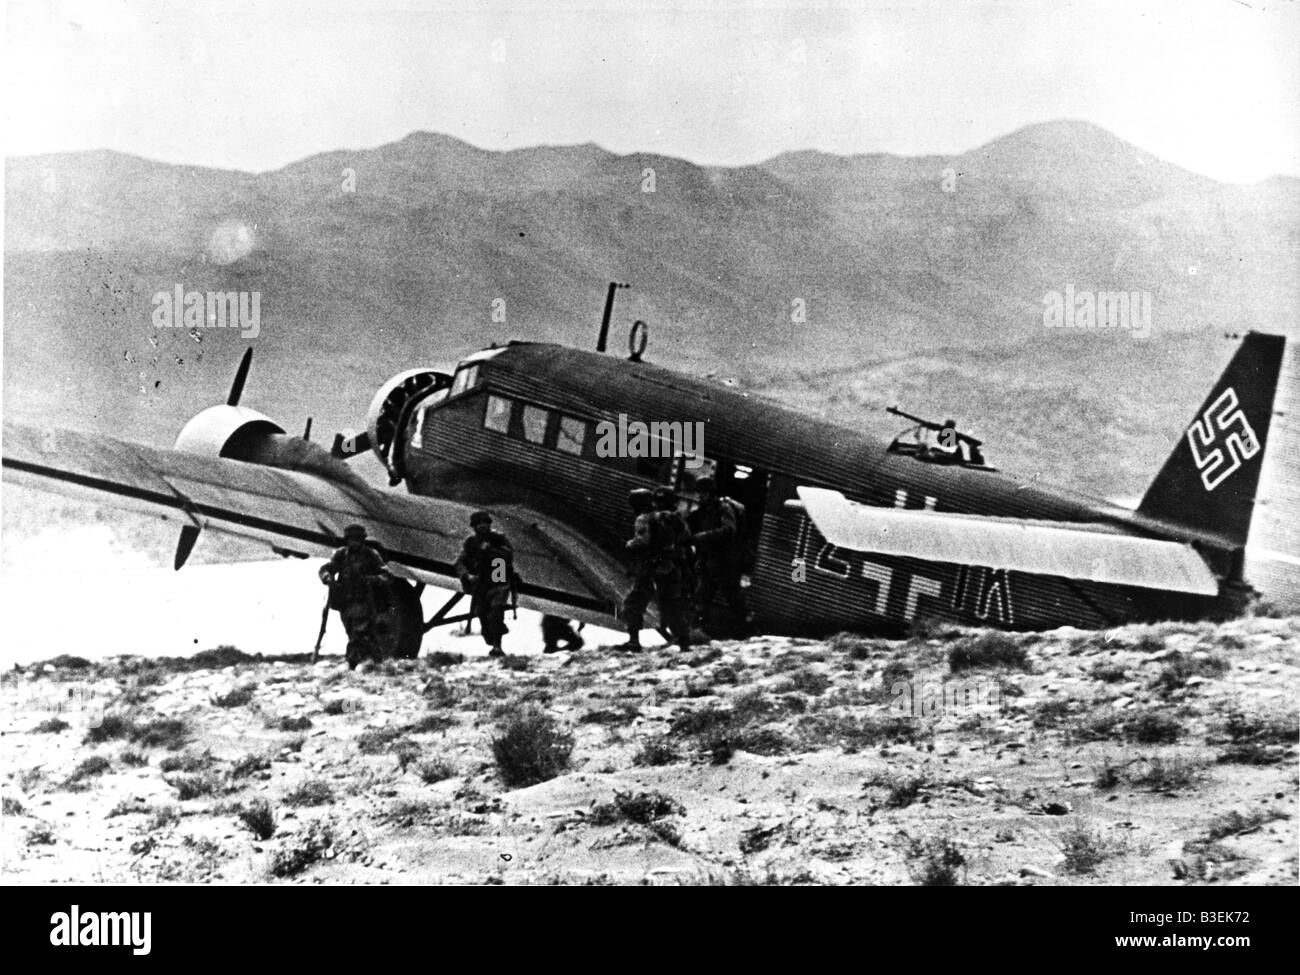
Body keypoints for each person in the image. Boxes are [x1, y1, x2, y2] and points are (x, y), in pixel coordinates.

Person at [619, 487, 694, 651]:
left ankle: (633, 641)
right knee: (671, 605)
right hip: (670, 567)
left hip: (650, 568)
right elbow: (686, 537)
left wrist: (629, 544)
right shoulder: (671, 518)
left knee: (633, 603)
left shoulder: (643, 518)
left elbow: (643, 541)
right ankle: (684, 642)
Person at [318, 524, 389, 668]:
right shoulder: (341, 555)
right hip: (345, 603)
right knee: (352, 632)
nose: (354, 542)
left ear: (362, 540)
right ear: (347, 540)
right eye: (352, 539)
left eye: (357, 539)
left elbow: (386, 575)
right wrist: (327, 578)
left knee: (359, 632)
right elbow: (326, 569)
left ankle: (352, 662)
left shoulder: (370, 555)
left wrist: (372, 580)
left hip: (364, 601)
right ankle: (375, 660)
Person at [688, 475, 751, 635]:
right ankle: (696, 631)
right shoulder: (706, 509)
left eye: (702, 493)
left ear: (709, 493)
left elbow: (729, 530)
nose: (699, 496)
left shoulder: (723, 508)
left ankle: (749, 627)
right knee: (702, 596)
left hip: (725, 562)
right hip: (711, 560)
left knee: (733, 597)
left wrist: (702, 537)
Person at [454, 510, 514, 657]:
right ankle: (493, 636)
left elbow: (507, 556)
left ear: (489, 525)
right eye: (478, 524)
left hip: (498, 580)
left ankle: (497, 647)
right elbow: (459, 562)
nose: (482, 526)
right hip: (480, 584)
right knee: (482, 615)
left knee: (496, 613)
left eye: (484, 523)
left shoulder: (499, 539)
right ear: (474, 527)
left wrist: (491, 551)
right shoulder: (470, 543)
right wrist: (467, 575)